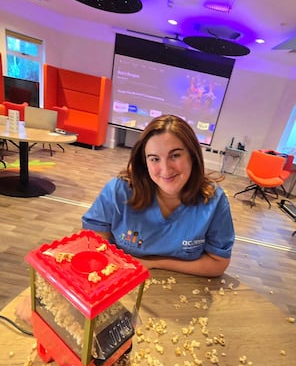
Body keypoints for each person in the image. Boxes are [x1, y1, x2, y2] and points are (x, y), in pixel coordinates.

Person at [82, 114, 234, 277]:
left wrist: (155, 263)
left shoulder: (214, 201)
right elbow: (93, 241)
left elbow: (218, 263)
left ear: (192, 155)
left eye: (175, 155)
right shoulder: (118, 191)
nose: (166, 169)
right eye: (154, 159)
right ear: (144, 162)